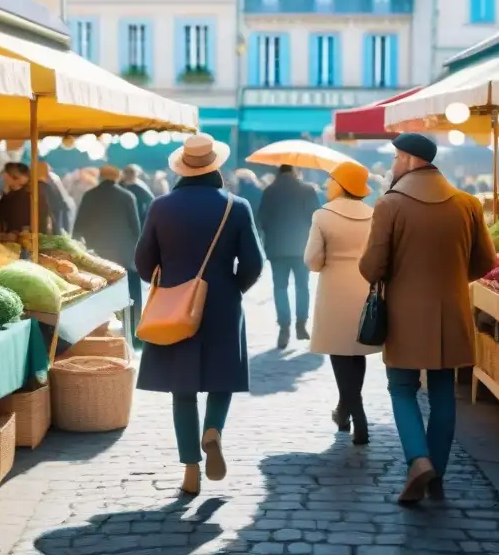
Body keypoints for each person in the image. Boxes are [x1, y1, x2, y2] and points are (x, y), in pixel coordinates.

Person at [359, 133, 496, 504]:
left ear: (407, 159)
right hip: (452, 310)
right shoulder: (468, 203)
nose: (392, 166)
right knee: (442, 393)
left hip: (404, 315)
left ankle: (418, 460)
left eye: (395, 159)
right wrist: (451, 279)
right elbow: (486, 263)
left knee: (401, 388)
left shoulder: (390, 205)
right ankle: (437, 474)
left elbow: (372, 268)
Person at [135, 134, 264, 496]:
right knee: (223, 375)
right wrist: (233, 286)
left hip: (177, 303)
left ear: (182, 168)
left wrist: (170, 281)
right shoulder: (235, 206)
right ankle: (214, 431)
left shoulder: (161, 206)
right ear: (215, 166)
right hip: (222, 299)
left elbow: (144, 262)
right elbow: (255, 262)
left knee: (183, 388)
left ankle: (190, 468)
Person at [304, 160, 380, 446]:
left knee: (339, 352)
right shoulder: (374, 215)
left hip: (334, 288)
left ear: (341, 184)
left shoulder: (322, 216)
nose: (326, 185)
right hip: (364, 287)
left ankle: (356, 415)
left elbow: (312, 261)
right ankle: (345, 410)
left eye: (331, 179)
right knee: (356, 350)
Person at [258, 164, 321, 349]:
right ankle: (301, 323)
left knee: (280, 288)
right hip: (302, 247)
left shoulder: (270, 191)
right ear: (295, 173)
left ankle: (284, 326)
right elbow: (316, 216)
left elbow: (261, 218)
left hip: (277, 249)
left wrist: (271, 234)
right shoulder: (307, 189)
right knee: (303, 286)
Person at [74, 166, 142, 330]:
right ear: (117, 178)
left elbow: (78, 227)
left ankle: (97, 330)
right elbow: (136, 228)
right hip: (123, 257)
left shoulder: (89, 196)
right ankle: (133, 330)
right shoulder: (127, 196)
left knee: (97, 296)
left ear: (100, 178)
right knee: (131, 294)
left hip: (97, 257)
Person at [121, 164, 156, 340]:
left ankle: (128, 328)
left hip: (122, 243)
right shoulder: (142, 191)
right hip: (136, 241)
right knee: (134, 287)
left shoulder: (122, 190)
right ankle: (134, 328)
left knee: (125, 286)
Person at [0, 163, 51, 234]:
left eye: (5, 174)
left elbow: (15, 222)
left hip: (28, 239)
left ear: (14, 177)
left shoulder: (31, 195)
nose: (2, 177)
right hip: (13, 239)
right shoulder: (10, 193)